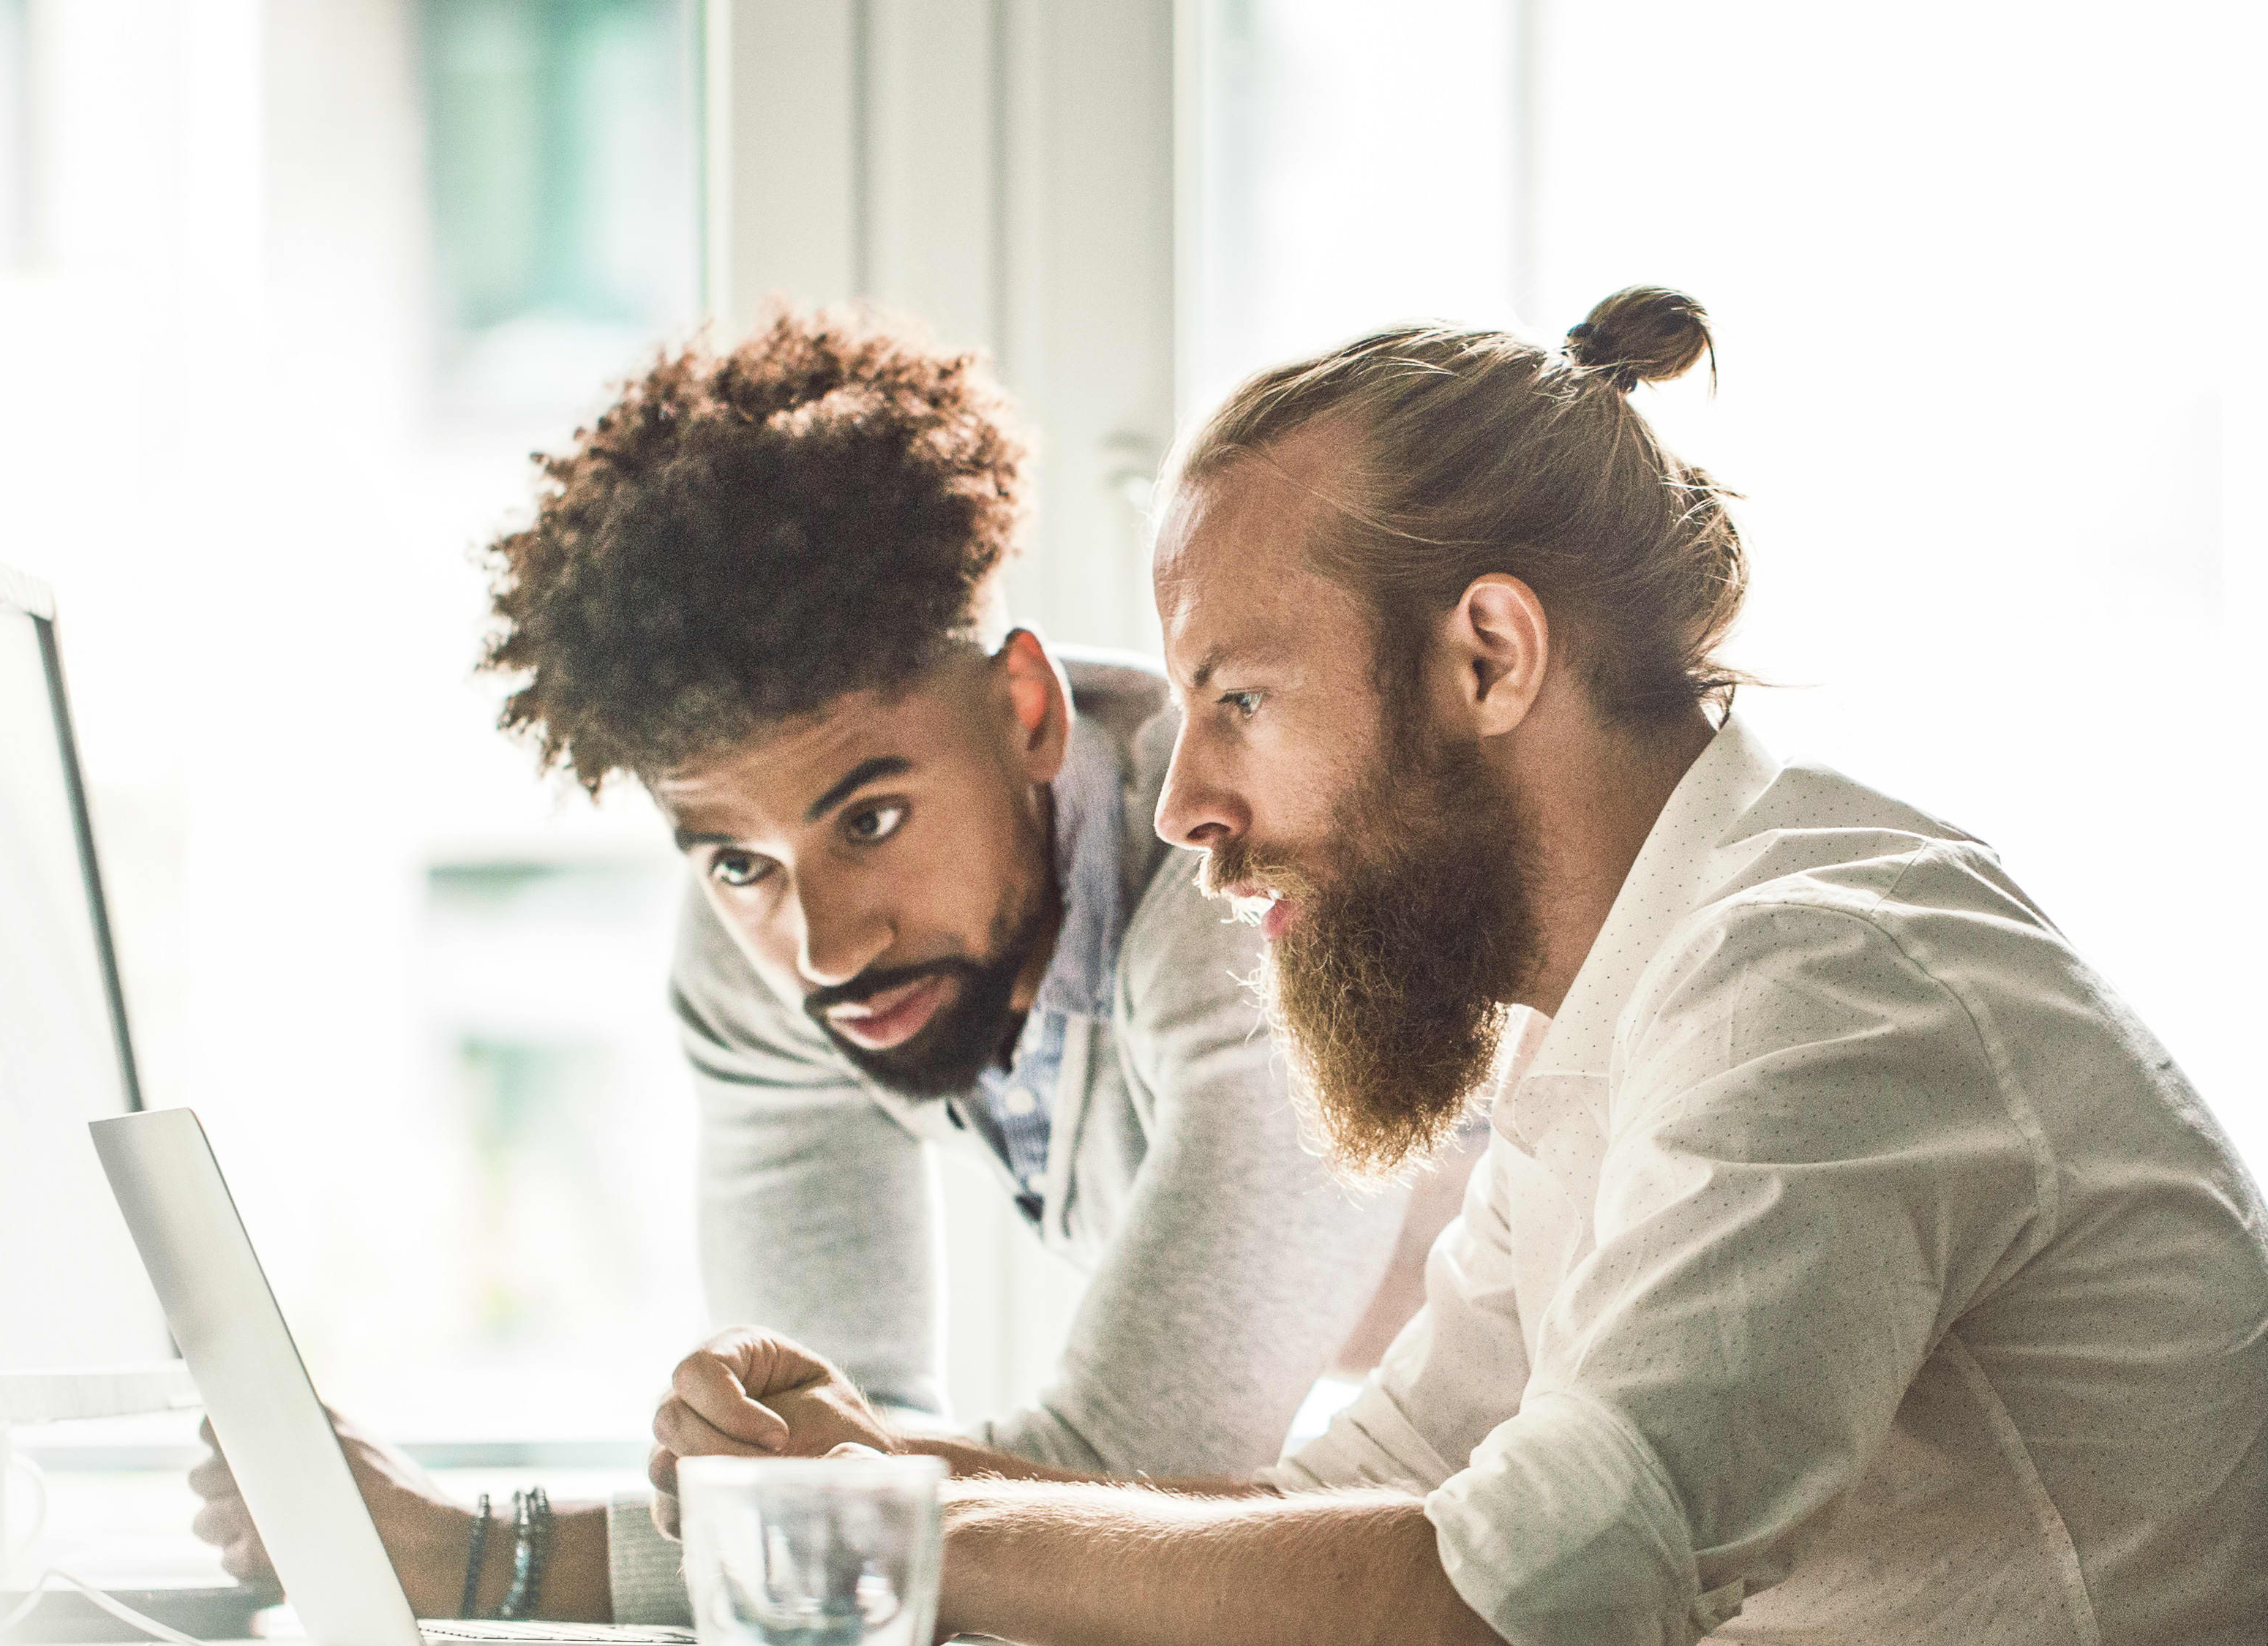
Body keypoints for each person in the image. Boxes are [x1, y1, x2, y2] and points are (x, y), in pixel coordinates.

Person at [650, 288, 2268, 1644]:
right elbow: (1351, 1504)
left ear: (1486, 658)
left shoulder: (1820, 977)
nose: (1180, 808)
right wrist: (852, 1482)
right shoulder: (1603, 1027)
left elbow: (1495, 1599)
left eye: (1238, 705)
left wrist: (899, 1525)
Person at [189, 310, 1424, 1623]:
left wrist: (485, 1552)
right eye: (736, 860)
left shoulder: (1246, 891)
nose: (825, 945)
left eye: (872, 820)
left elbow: (1118, 1511)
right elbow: (830, 1466)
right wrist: (761, 1477)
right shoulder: (761, 960)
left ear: (1026, 710)